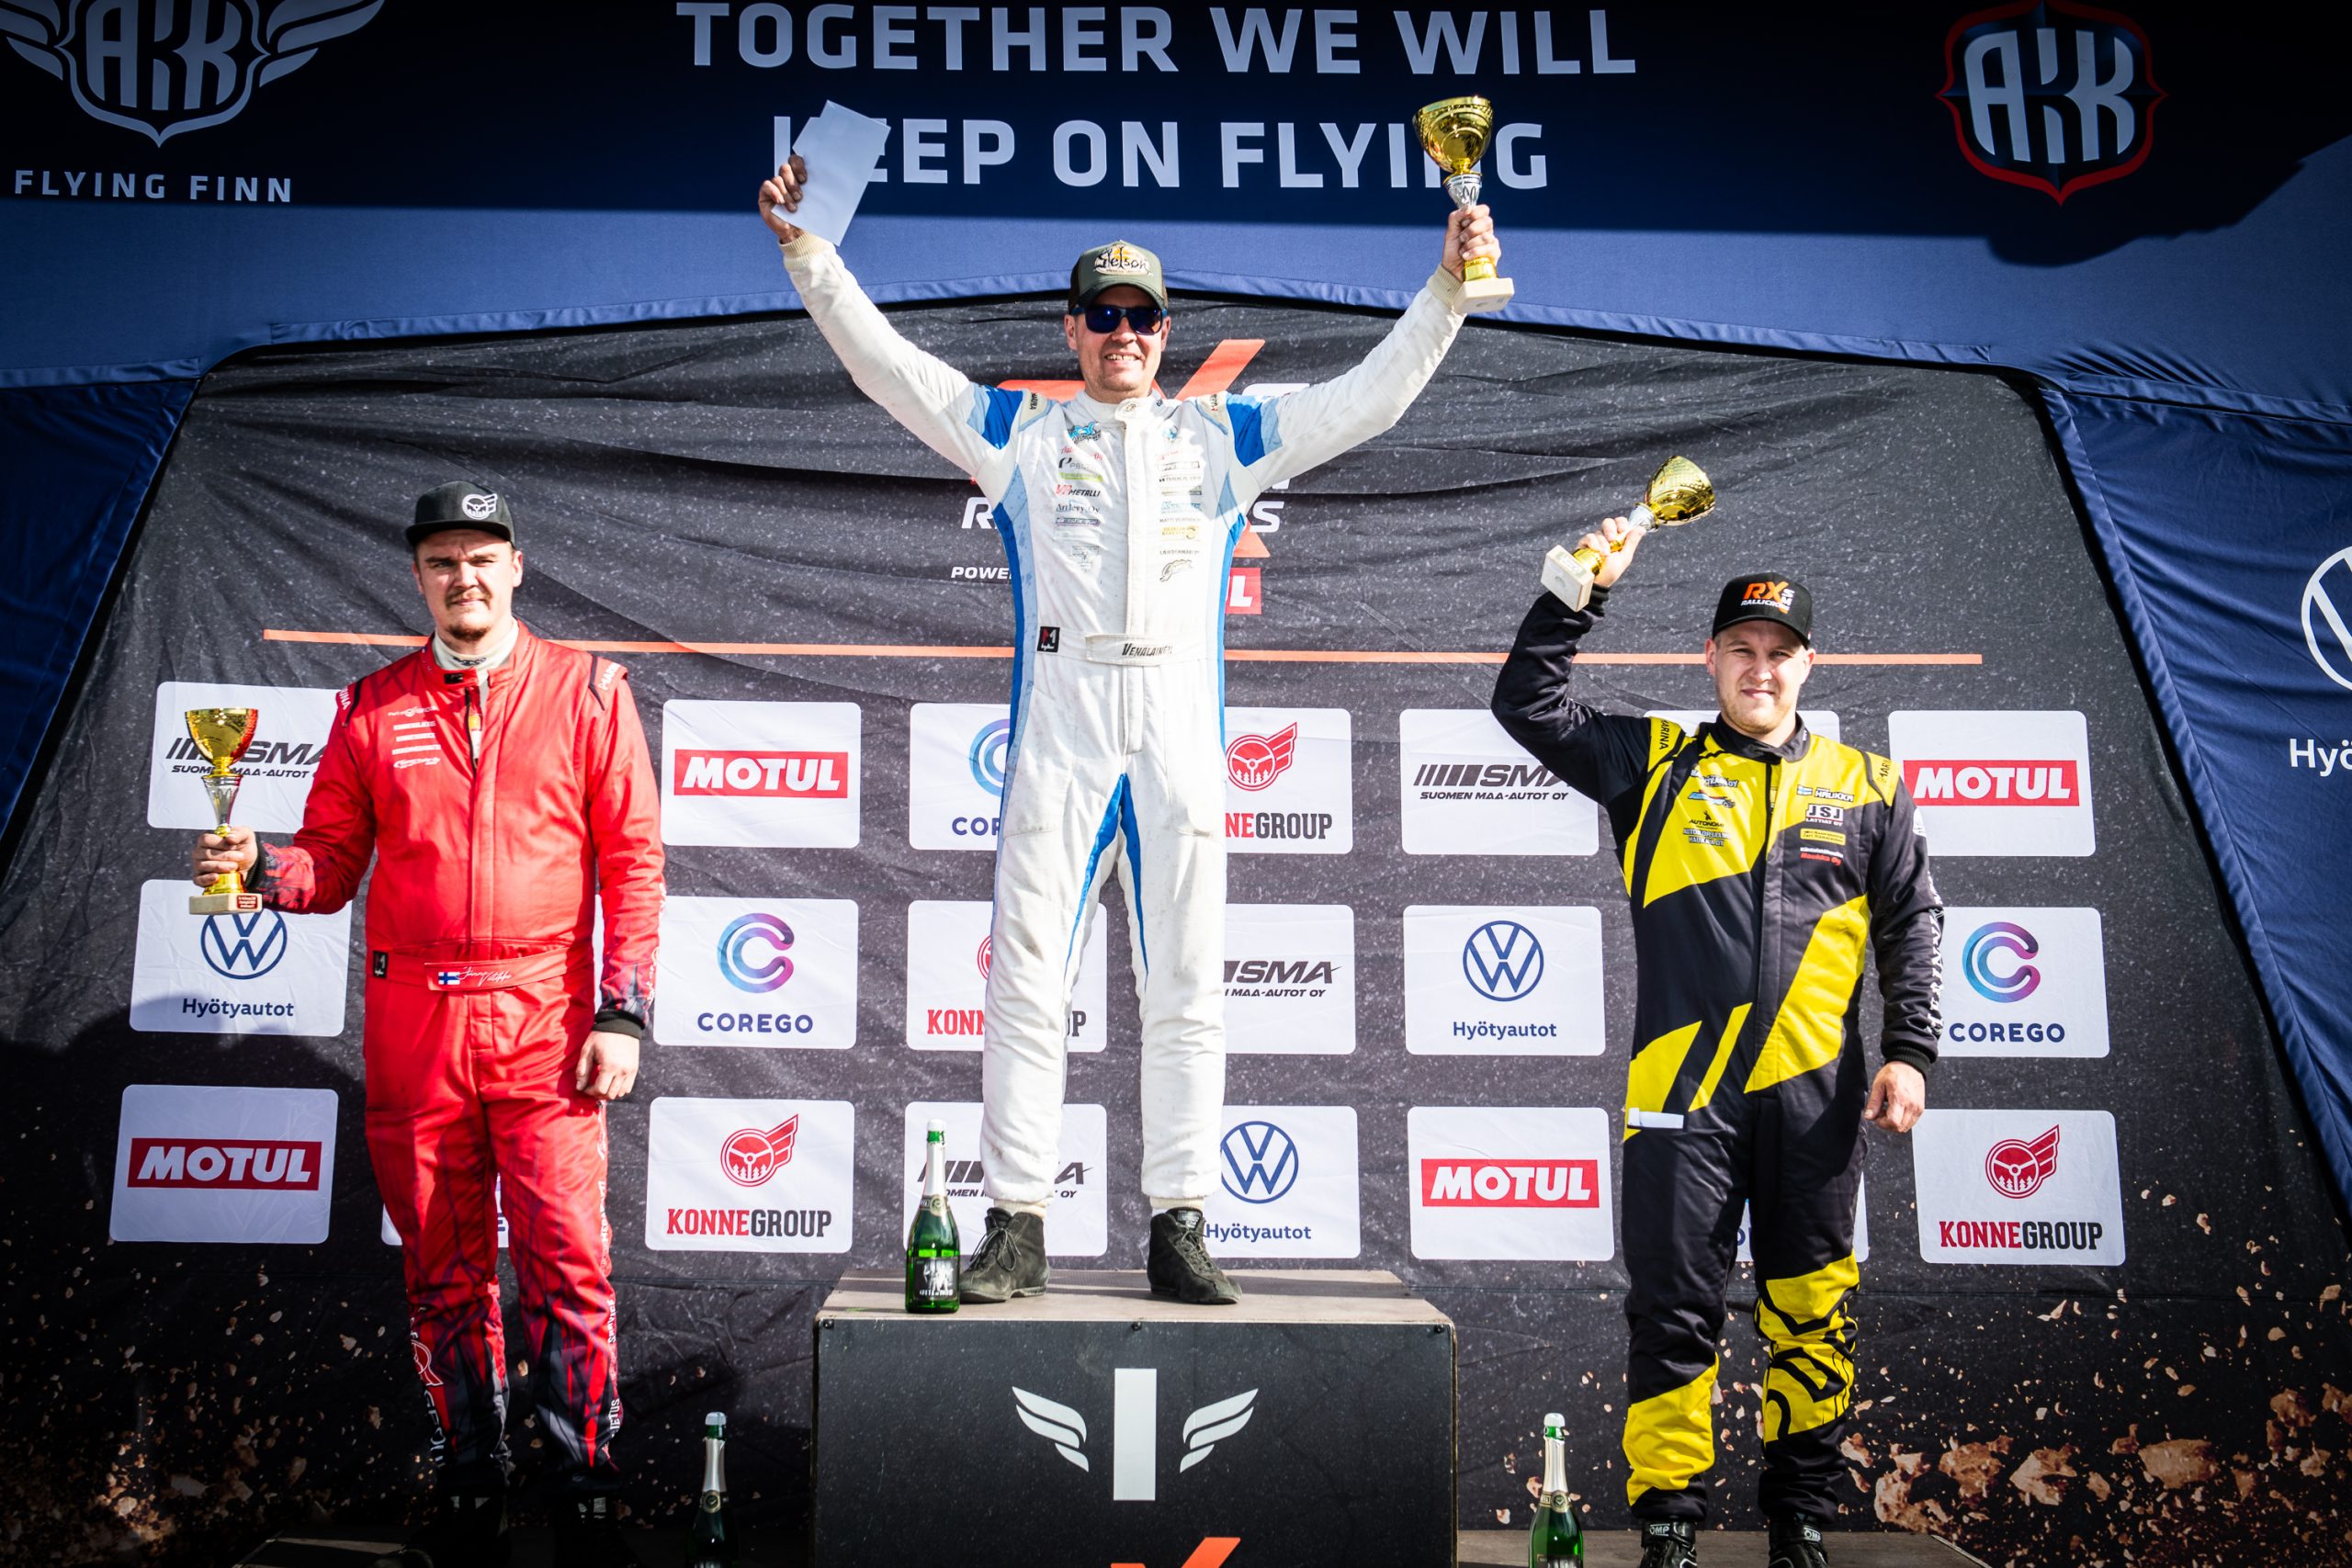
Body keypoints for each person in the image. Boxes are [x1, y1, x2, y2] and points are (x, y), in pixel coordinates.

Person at [758, 157, 1498, 1305]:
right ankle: (1015, 1222)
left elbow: (1370, 399)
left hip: (1175, 735)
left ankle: (1180, 1221)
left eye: (1141, 318)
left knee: (1187, 987)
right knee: (1025, 982)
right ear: (1071, 329)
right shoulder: (1017, 431)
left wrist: (1447, 292)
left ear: (1164, 333)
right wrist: (809, 253)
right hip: (1061, 729)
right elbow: (885, 367)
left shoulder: (1224, 435)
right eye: (1101, 317)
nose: (1122, 335)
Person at [190, 482, 662, 1567]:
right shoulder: (371, 706)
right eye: (444, 561)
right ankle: (470, 1482)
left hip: (545, 1020)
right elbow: (327, 867)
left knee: (566, 1265)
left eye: (482, 558)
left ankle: (585, 1488)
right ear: (418, 577)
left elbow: (634, 864)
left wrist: (623, 1009)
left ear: (517, 567)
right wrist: (258, 867)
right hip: (416, 1025)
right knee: (443, 1275)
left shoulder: (589, 691)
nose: (465, 578)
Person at [1490, 520, 1941, 1568]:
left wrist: (1910, 1050)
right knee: (1674, 1311)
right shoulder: (1655, 762)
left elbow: (1912, 923)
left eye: (1780, 651)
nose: (1760, 668)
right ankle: (1668, 1521)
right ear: (1709, 657)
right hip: (1680, 1100)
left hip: (1816, 1100)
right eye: (1742, 648)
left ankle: (1800, 1518)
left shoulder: (1868, 785)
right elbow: (1526, 704)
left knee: (1812, 1314)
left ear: (1808, 664)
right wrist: (1577, 593)